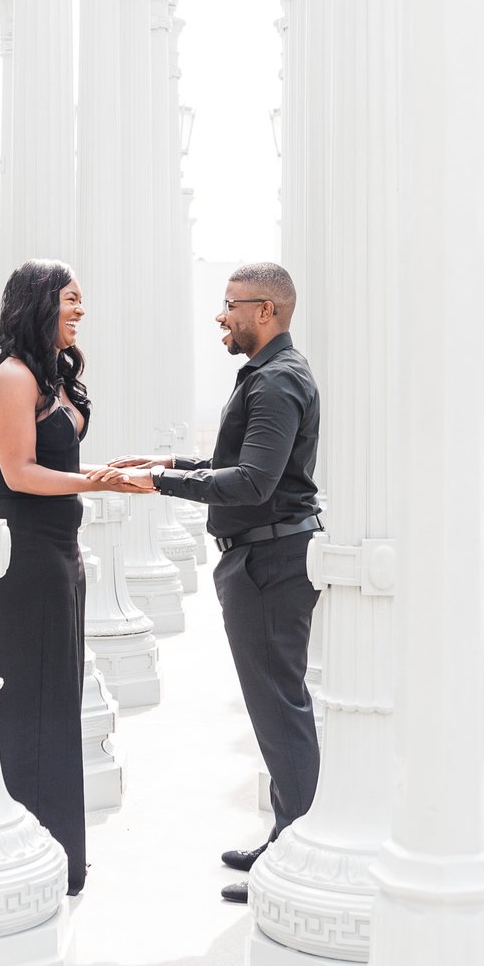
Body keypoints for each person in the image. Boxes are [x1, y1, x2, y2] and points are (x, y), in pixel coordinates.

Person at [94, 261, 320, 904]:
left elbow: (252, 484)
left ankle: (298, 853)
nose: (221, 316)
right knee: (276, 706)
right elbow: (239, 465)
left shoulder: (276, 383)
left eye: (231, 305)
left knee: (280, 709)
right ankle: (288, 837)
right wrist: (167, 462)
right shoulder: (268, 378)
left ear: (266, 312)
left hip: (269, 566)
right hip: (263, 560)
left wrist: (157, 483)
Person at [0, 259, 133, 897]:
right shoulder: (12, 376)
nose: (80, 312)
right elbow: (18, 472)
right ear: (40, 303)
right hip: (26, 552)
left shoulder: (56, 378)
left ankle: (62, 856)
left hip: (63, 551)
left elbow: (61, 465)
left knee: (60, 700)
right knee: (29, 704)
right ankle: (31, 852)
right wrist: (92, 482)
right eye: (71, 300)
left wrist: (109, 472)